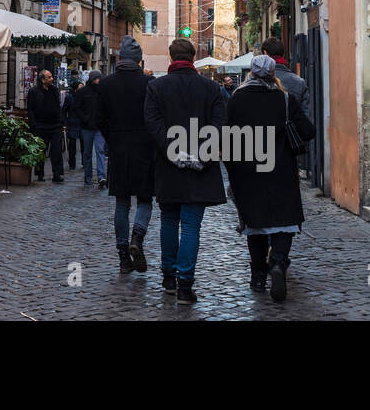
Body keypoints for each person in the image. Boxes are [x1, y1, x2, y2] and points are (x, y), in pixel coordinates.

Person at [225, 55, 316, 302]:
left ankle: (257, 278)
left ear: (251, 73)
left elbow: (226, 139)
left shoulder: (236, 99)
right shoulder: (285, 99)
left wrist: (232, 170)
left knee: (255, 225)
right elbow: (308, 130)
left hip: (247, 171)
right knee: (284, 220)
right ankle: (277, 263)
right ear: (273, 72)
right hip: (281, 169)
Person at [144, 37, 227, 305]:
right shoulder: (211, 88)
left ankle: (168, 278)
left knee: (169, 220)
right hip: (200, 169)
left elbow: (153, 124)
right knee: (191, 225)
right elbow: (219, 126)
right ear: (192, 58)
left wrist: (173, 151)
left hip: (169, 168)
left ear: (171, 58)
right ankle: (184, 285)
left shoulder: (156, 87)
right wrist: (200, 154)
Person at [96, 36, 155, 274]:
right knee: (144, 199)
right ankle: (137, 239)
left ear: (119, 58)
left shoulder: (106, 84)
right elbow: (153, 117)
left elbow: (99, 119)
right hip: (144, 147)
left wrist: (113, 139)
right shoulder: (149, 84)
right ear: (139, 60)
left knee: (121, 202)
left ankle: (123, 256)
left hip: (119, 147)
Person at [27, 69, 65, 183]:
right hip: (40, 126)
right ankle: (40, 173)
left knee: (56, 151)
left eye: (51, 76)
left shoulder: (54, 90)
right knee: (41, 151)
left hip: (55, 126)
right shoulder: (34, 91)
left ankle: (57, 174)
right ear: (43, 80)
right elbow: (30, 109)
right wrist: (34, 125)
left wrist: (60, 122)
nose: (52, 79)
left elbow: (58, 107)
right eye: (49, 77)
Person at [78, 71, 107, 186]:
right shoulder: (83, 92)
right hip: (87, 127)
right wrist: (85, 119)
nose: (99, 80)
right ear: (93, 79)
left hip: (99, 126)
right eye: (98, 79)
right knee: (87, 153)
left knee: (100, 151)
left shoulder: (103, 92)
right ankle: (88, 176)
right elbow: (77, 108)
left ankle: (101, 176)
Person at [63, 80, 82, 172]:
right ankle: (72, 163)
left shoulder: (84, 97)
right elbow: (64, 111)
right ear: (75, 89)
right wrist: (65, 123)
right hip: (73, 123)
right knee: (72, 145)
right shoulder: (69, 98)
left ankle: (84, 162)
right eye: (80, 87)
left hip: (82, 123)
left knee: (84, 144)